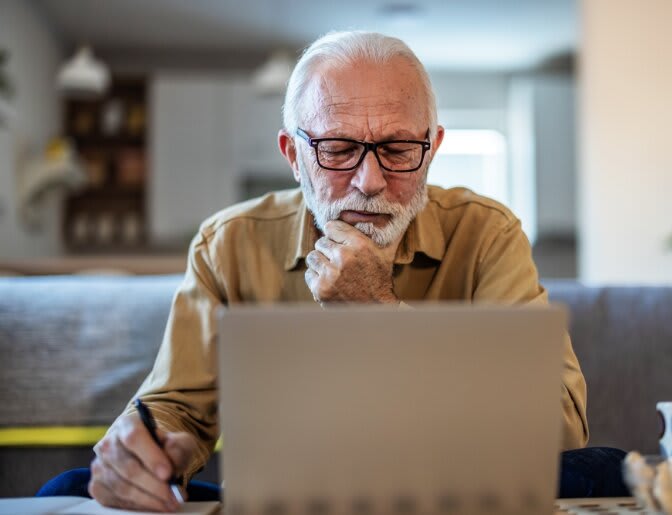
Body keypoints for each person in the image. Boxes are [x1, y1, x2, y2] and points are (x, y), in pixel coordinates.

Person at [37, 31, 627, 511]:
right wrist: (144, 457)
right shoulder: (230, 244)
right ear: (294, 156)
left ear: (433, 147)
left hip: (457, 495)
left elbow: (557, 432)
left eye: (397, 150)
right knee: (71, 490)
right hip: (286, 501)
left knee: (607, 468)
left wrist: (379, 313)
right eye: (338, 150)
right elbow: (176, 410)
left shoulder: (486, 234)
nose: (370, 183)